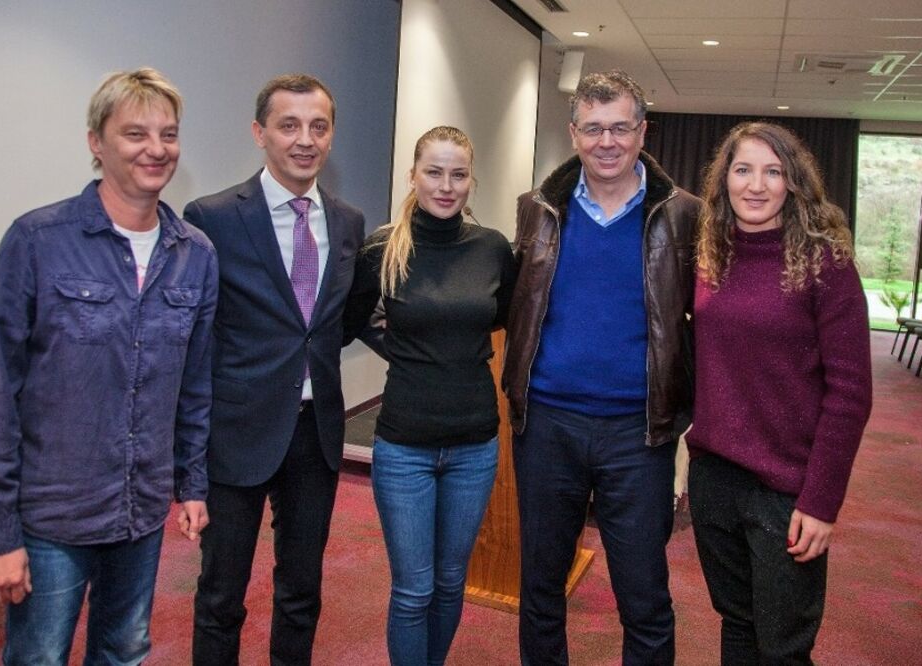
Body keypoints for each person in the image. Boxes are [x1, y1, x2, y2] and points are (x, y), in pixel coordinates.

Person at [0, 67, 217, 665]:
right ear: (96, 142)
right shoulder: (36, 241)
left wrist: (192, 483)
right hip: (54, 513)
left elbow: (195, 386)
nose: (156, 150)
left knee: (124, 650)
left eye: (169, 134)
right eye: (135, 134)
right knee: (39, 657)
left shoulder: (195, 256)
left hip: (141, 507)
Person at [502, 70, 700, 665]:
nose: (606, 141)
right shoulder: (537, 211)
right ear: (574, 134)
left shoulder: (683, 215)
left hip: (638, 433)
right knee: (539, 586)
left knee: (643, 594)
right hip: (547, 427)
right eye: (593, 129)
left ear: (643, 132)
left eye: (620, 127)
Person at [186, 73, 365, 665]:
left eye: (318, 126)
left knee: (302, 590)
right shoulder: (211, 217)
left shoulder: (347, 223)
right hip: (236, 433)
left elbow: (337, 322)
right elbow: (195, 337)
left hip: (315, 435)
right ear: (260, 133)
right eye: (289, 125)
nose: (305, 139)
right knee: (221, 596)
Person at [686, 121, 873, 664]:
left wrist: (821, 500)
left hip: (788, 489)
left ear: (794, 183)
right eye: (743, 170)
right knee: (737, 624)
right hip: (714, 476)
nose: (756, 185)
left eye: (774, 172)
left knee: (784, 644)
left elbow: (851, 392)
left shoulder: (825, 263)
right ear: (724, 181)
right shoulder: (708, 256)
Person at [344, 126, 516, 665]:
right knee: (414, 589)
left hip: (474, 444)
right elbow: (349, 322)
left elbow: (506, 317)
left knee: (449, 583)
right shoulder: (382, 247)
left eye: (458, 174)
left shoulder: (491, 248)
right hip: (404, 447)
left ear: (472, 181)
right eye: (434, 172)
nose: (446, 186)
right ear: (413, 176)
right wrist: (404, 351)